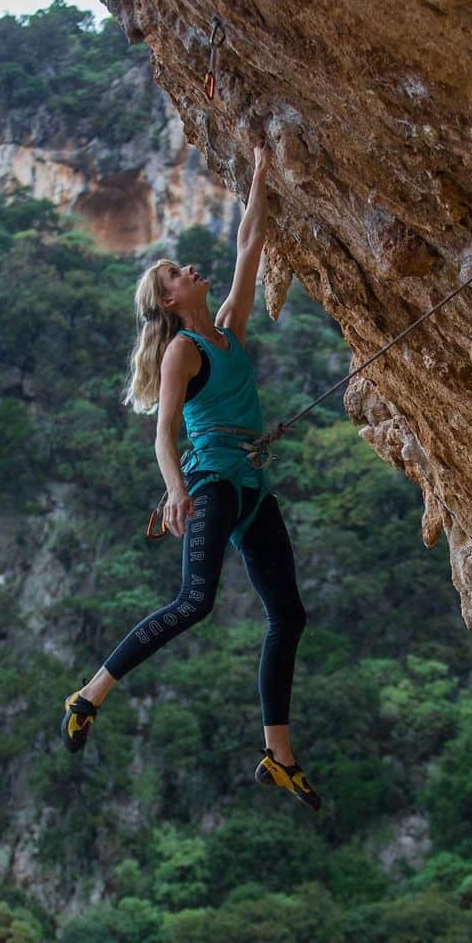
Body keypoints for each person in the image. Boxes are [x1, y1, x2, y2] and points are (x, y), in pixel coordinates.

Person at [60, 141, 320, 812]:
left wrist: (260, 170)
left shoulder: (229, 327)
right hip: (211, 484)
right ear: (170, 300)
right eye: (176, 271)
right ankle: (89, 694)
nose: (188, 268)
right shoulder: (183, 349)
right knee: (194, 602)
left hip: (252, 488)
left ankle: (278, 754)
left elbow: (249, 244)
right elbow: (164, 431)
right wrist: (176, 490)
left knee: (288, 613)